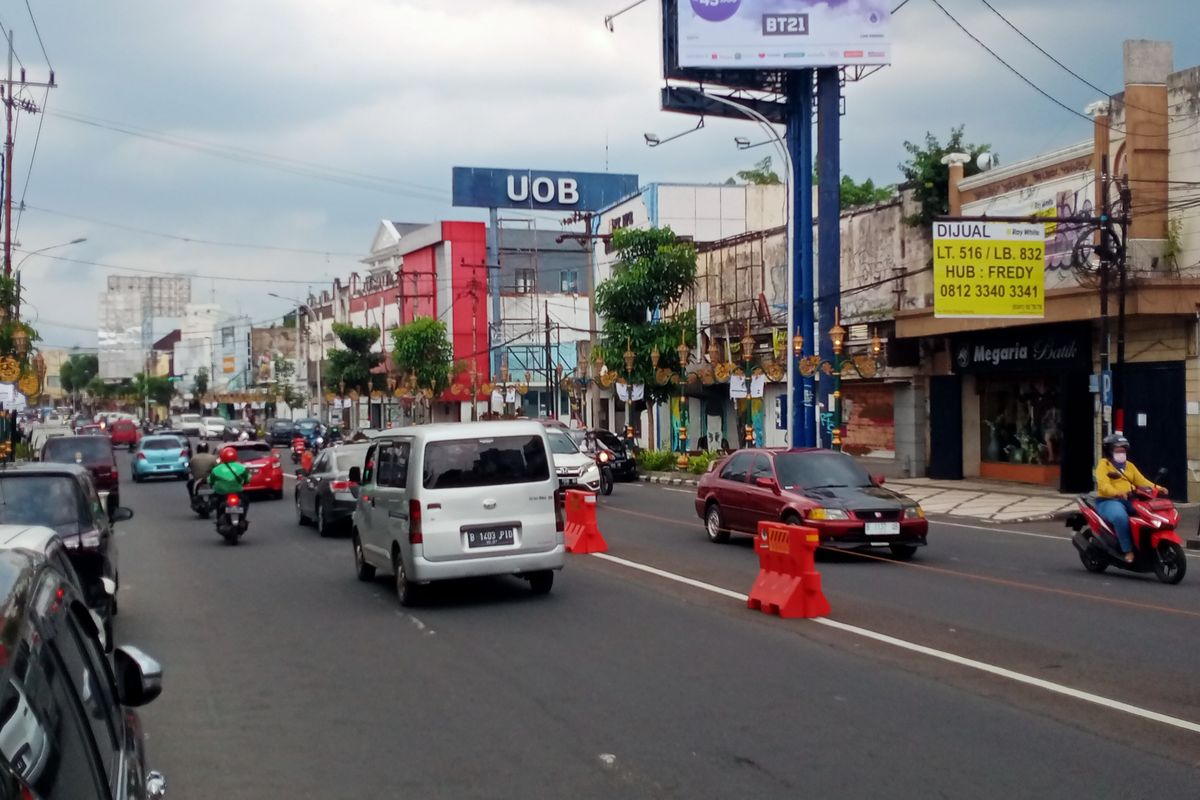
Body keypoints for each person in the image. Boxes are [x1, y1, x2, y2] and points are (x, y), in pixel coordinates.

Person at [1094, 433, 1163, 563]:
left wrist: (1158, 488)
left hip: (1129, 500)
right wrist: (1117, 492)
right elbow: (1103, 486)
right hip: (1108, 501)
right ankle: (1128, 550)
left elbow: (1142, 481)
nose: (1121, 453)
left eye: (1123, 450)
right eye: (1118, 450)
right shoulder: (1103, 465)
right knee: (1120, 517)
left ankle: (1145, 545)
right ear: (1109, 451)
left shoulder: (1129, 465)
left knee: (1148, 514)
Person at [208, 446, 251, 517]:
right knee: (245, 501)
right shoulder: (241, 467)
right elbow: (247, 478)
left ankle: (219, 518)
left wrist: (212, 483)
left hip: (222, 494)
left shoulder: (216, 469)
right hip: (237, 492)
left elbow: (210, 480)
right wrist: (245, 482)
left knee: (217, 503)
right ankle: (243, 518)